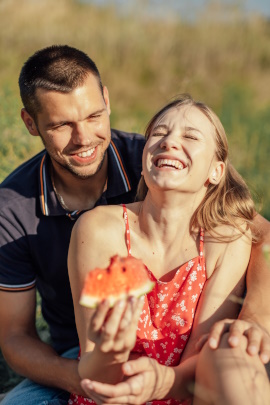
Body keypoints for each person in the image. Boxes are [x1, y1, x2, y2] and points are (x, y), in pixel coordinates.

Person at [67, 95, 270, 405]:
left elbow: (204, 360)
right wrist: (112, 352)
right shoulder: (97, 229)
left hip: (184, 393)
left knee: (230, 351)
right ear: (145, 157)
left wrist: (161, 383)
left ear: (215, 171)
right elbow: (93, 374)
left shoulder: (227, 239)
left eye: (190, 136)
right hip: (109, 398)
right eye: (159, 134)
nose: (170, 142)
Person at [0, 45, 145, 405]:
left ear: (107, 100)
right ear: (31, 124)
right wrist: (84, 382)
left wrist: (253, 314)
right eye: (62, 125)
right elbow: (15, 337)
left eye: (94, 116)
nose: (84, 139)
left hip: (180, 340)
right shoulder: (11, 208)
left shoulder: (153, 160)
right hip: (77, 356)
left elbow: (258, 234)